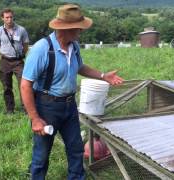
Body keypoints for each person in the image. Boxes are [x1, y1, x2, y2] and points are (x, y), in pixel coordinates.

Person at [20, 3, 123, 180]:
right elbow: (25, 85)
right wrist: (35, 119)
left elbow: (79, 67)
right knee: (42, 153)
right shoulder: (41, 49)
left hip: (69, 106)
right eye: (78, 29)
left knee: (75, 149)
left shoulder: (73, 46)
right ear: (66, 29)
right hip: (47, 107)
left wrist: (103, 75)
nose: (81, 32)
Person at [0, 8, 29, 114]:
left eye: (11, 17)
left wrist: (21, 55)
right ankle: (10, 109)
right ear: (2, 18)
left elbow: (25, 45)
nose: (9, 19)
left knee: (24, 85)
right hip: (5, 61)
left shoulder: (21, 30)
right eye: (7, 17)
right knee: (6, 86)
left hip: (18, 61)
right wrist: (4, 55)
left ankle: (26, 108)